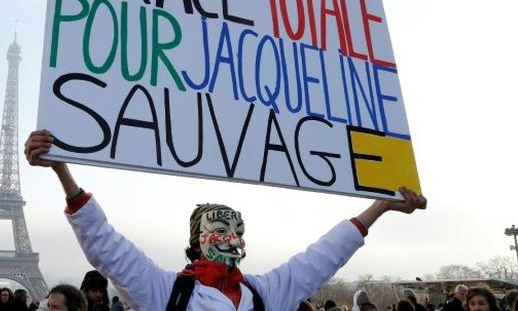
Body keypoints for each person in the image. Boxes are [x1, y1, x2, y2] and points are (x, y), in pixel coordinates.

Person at [24, 129, 428, 311]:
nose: (231, 238)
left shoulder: (264, 294)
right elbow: (106, 247)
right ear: (197, 240)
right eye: (219, 230)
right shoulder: (165, 292)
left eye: (237, 231)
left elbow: (321, 259)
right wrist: (63, 170)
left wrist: (379, 207)